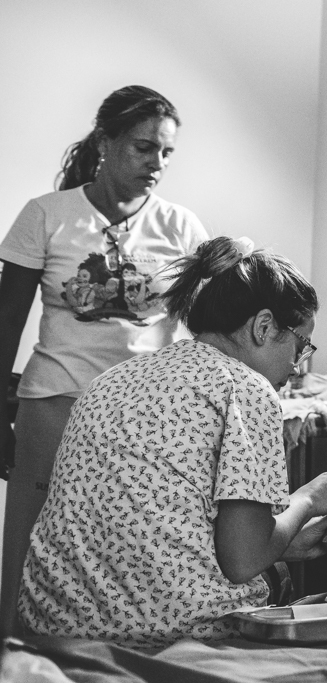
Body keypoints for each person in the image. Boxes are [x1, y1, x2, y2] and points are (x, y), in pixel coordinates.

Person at [18, 236, 327, 649]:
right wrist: (307, 499)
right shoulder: (245, 388)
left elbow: (159, 524)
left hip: (55, 624)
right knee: (278, 582)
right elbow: (242, 561)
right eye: (301, 344)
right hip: (169, 633)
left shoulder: (112, 379)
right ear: (264, 326)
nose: (297, 366)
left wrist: (284, 542)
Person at [0, 85, 210, 634]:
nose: (157, 163)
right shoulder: (47, 215)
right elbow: (6, 319)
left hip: (144, 417)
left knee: (126, 546)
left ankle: (110, 657)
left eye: (166, 152)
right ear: (104, 142)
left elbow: (207, 326)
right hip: (56, 400)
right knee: (31, 538)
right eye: (144, 147)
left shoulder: (181, 227)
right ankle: (13, 652)